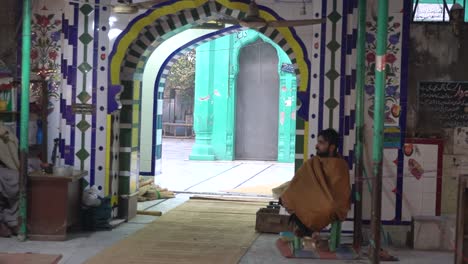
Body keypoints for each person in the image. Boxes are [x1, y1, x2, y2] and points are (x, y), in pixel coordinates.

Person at [278, 128, 351, 238]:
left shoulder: (341, 166)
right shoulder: (313, 162)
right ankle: (307, 229)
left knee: (328, 208)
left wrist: (322, 199)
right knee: (287, 197)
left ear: (332, 147)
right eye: (318, 142)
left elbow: (341, 194)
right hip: (314, 198)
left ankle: (306, 229)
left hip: (330, 203)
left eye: (321, 143)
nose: (316, 146)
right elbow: (300, 182)